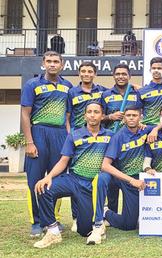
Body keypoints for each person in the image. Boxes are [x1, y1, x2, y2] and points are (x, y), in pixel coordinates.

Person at [32, 102, 114, 248]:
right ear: (85, 115)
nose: (92, 115)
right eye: (89, 112)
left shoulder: (111, 136)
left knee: (84, 230)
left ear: (102, 116)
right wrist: (48, 176)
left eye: (96, 112)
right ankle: (53, 232)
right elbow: (64, 161)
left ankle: (99, 221)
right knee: (43, 188)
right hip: (74, 179)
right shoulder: (74, 135)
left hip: (92, 186)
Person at [20, 51, 73, 237]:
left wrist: (69, 139)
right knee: (34, 180)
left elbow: (68, 117)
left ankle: (52, 219)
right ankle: (36, 222)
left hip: (60, 135)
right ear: (43, 63)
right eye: (49, 61)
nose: (52, 64)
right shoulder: (32, 84)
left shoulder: (68, 86)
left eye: (56, 61)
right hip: (39, 132)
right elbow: (25, 114)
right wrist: (29, 142)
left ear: (62, 64)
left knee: (56, 179)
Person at [97, 106, 148, 241]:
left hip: (144, 178)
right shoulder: (118, 137)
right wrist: (130, 180)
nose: (131, 118)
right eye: (128, 115)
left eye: (135, 115)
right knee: (129, 225)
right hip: (128, 179)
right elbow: (105, 165)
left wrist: (155, 129)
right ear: (124, 118)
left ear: (140, 117)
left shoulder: (146, 131)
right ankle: (105, 212)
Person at [101, 63, 142, 213]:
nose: (121, 76)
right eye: (118, 74)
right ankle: (111, 210)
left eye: (124, 74)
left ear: (129, 76)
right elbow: (100, 117)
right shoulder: (105, 94)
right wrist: (110, 116)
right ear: (113, 76)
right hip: (111, 141)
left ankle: (131, 211)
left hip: (130, 141)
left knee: (129, 173)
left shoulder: (136, 93)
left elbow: (141, 113)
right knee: (112, 177)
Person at [67, 62, 107, 130]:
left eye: (90, 72)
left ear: (95, 74)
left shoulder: (102, 91)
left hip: (97, 133)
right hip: (78, 132)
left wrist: (131, 88)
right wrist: (69, 134)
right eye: (83, 71)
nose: (86, 74)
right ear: (79, 74)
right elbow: (67, 116)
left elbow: (117, 91)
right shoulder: (72, 92)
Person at [139, 57, 162, 126]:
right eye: (153, 68)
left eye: (159, 68)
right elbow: (136, 111)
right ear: (150, 70)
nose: (156, 70)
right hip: (148, 127)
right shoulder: (142, 91)